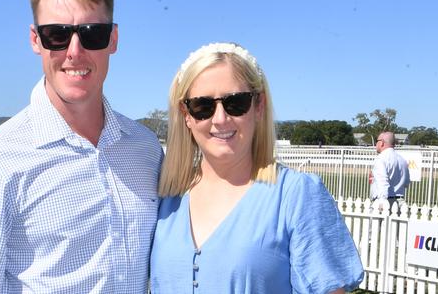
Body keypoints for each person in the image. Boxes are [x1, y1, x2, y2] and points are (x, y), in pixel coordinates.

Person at [0, 0, 164, 293]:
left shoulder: (145, 149)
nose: (74, 52)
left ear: (113, 39)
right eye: (57, 35)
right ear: (36, 40)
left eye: (92, 34)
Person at [150, 43, 363, 293]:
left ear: (259, 105)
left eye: (236, 103)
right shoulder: (167, 197)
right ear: (186, 114)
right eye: (202, 106)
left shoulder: (295, 195)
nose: (220, 119)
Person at [370, 131, 411, 211]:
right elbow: (406, 183)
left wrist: (382, 202)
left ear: (381, 142)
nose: (376, 144)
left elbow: (383, 182)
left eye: (377, 141)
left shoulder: (381, 159)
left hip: (385, 202)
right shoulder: (402, 160)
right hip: (400, 203)